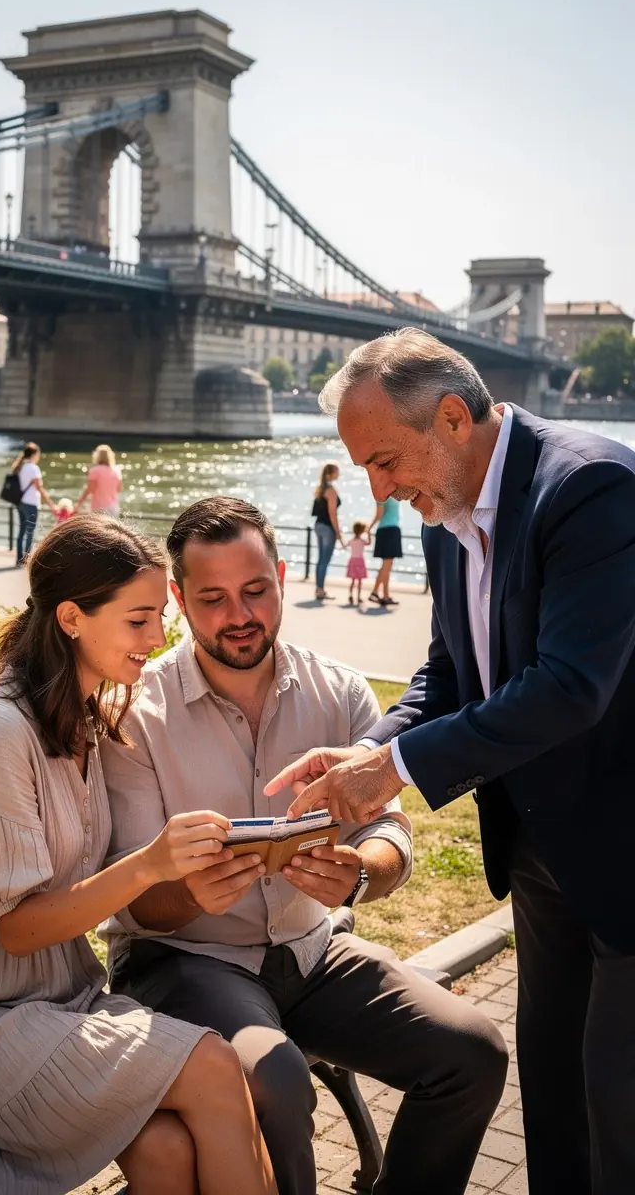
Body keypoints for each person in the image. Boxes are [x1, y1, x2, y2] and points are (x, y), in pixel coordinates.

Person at [266, 327, 635, 1195]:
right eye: (364, 469)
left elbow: (568, 687)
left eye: (386, 460)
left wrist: (392, 775)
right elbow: (448, 669)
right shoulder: (444, 512)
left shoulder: (590, 487)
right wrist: (370, 746)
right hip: (540, 852)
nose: (379, 489)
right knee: (553, 1102)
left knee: (620, 1108)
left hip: (624, 848)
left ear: (455, 418)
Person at [99, 496, 507, 1195]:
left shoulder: (340, 690)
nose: (240, 615)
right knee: (279, 1081)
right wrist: (187, 892)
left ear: (284, 575)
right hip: (184, 962)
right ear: (177, 598)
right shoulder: (137, 711)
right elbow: (132, 896)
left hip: (313, 954)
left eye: (256, 590)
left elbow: (391, 830)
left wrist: (361, 876)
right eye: (214, 598)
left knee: (472, 1051)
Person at [0, 516, 278, 1195]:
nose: (160, 638)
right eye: (140, 620)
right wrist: (149, 863)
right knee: (212, 1065)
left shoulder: (82, 721)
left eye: (161, 618)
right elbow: (16, 929)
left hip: (43, 1000)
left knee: (167, 1148)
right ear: (72, 618)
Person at [10, 442, 57, 566]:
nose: (39, 457)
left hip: (20, 502)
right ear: (34, 454)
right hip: (31, 503)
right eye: (38, 454)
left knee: (21, 531)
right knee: (30, 531)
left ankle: (19, 559)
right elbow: (39, 488)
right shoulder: (33, 468)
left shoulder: (20, 467)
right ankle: (27, 559)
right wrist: (52, 505)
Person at [311, 463, 343, 600]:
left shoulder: (320, 488)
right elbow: (332, 513)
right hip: (327, 527)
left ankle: (319, 589)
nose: (339, 473)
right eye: (337, 471)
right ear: (331, 473)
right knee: (325, 560)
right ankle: (320, 590)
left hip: (318, 525)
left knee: (321, 559)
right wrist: (338, 532)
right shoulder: (331, 491)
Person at [369, 496, 402, 606]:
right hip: (388, 530)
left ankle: (380, 594)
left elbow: (378, 515)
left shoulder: (385, 494)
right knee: (387, 565)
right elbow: (379, 515)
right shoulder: (385, 495)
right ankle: (380, 593)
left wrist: (369, 528)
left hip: (390, 530)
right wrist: (369, 528)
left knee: (386, 565)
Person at [76, 443, 123, 517]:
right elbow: (119, 489)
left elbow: (90, 490)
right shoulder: (117, 470)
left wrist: (79, 504)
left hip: (99, 508)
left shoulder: (95, 470)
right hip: (114, 508)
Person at [346, 519, 370, 605]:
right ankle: (358, 597)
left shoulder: (352, 540)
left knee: (353, 581)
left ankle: (350, 595)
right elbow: (369, 543)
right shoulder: (362, 541)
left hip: (353, 560)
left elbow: (346, 544)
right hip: (360, 561)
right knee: (359, 581)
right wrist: (369, 534)